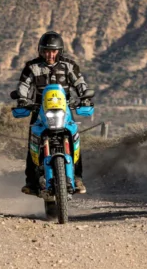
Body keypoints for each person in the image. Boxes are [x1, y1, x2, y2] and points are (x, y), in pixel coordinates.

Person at [13, 31, 92, 195]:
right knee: (33, 144)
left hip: (65, 110)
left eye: (53, 51)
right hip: (40, 110)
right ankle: (32, 182)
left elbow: (80, 82)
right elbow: (24, 85)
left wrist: (84, 96)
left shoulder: (69, 66)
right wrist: (22, 98)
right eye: (47, 50)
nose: (50, 54)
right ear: (41, 51)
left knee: (74, 139)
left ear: (59, 51)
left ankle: (77, 178)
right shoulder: (32, 67)